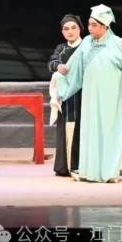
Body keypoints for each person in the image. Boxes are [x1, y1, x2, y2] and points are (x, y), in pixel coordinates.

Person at [50, 4, 122, 183]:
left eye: (94, 25)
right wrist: (60, 76)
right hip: (89, 98)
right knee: (90, 132)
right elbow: (74, 67)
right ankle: (90, 171)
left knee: (109, 132)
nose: (89, 28)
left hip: (110, 98)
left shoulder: (116, 44)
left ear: (105, 26)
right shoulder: (86, 42)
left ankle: (109, 171)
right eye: (89, 24)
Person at [48, 14, 84, 176]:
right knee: (66, 129)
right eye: (66, 29)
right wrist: (58, 67)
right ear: (62, 32)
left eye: (73, 28)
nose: (70, 32)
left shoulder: (86, 46)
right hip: (67, 96)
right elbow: (51, 63)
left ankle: (81, 164)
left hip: (84, 94)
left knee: (83, 128)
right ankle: (65, 166)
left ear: (80, 29)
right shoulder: (61, 48)